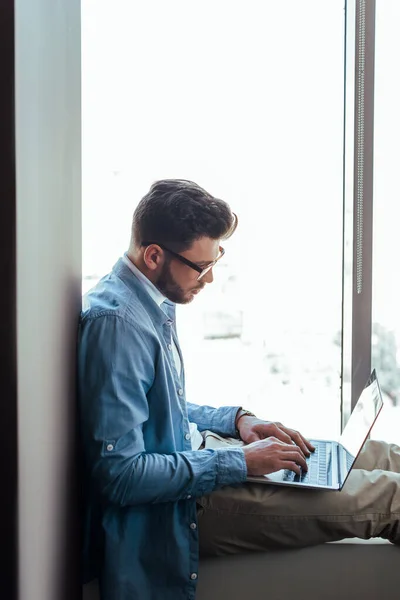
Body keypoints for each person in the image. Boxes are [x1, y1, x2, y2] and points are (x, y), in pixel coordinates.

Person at [78, 179, 400, 600]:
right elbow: (120, 476)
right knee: (393, 496)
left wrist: (238, 421)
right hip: (184, 503)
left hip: (205, 455)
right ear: (154, 255)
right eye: (200, 267)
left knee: (385, 455)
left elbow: (163, 406)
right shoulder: (118, 325)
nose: (210, 278)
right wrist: (239, 462)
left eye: (217, 260)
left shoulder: (147, 302)